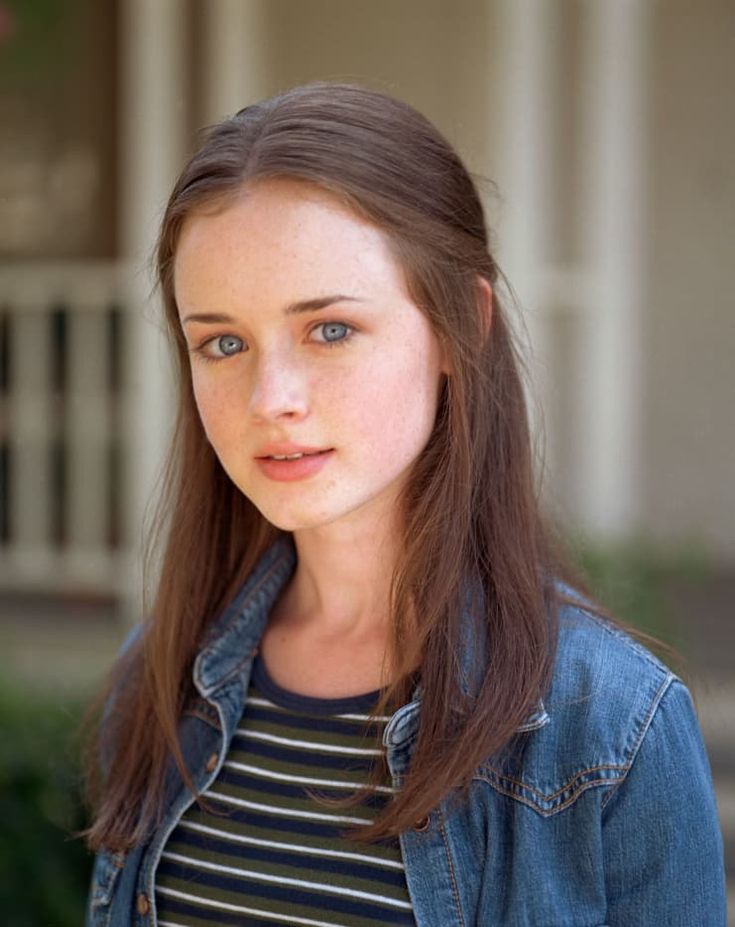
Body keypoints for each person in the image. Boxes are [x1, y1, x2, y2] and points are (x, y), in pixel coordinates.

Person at [84, 83, 726, 926]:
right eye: (223, 342)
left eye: (330, 329)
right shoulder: (159, 681)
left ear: (462, 321)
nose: (270, 397)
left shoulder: (606, 726)